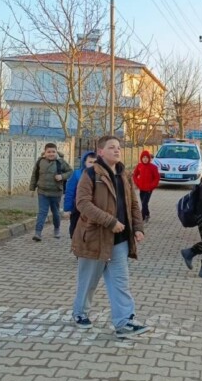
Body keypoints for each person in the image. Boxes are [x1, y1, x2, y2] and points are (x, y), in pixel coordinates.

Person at [71, 135, 151, 338]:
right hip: (94, 238)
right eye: (112, 147)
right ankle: (80, 313)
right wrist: (110, 221)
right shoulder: (90, 174)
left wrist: (138, 227)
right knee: (88, 281)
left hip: (120, 241)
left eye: (118, 147)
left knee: (120, 282)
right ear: (100, 151)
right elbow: (82, 203)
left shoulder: (124, 175)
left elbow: (133, 204)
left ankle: (124, 322)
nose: (117, 150)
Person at [29, 143, 73, 241]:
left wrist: (62, 176)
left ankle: (57, 229)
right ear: (45, 152)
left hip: (56, 192)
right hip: (42, 192)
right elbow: (34, 175)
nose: (51, 154)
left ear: (56, 152)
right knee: (42, 212)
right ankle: (38, 233)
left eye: (53, 152)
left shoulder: (60, 162)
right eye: (49, 152)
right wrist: (32, 189)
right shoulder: (40, 161)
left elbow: (70, 172)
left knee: (56, 213)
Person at [64, 151, 97, 238]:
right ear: (84, 162)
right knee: (75, 230)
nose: (93, 164)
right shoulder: (77, 174)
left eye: (95, 162)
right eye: (90, 162)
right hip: (78, 207)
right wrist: (67, 209)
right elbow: (70, 192)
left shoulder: (100, 175)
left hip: (94, 208)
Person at [132, 150, 160, 222]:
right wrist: (137, 183)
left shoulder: (153, 167)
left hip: (149, 189)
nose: (145, 159)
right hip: (141, 188)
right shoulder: (139, 166)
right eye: (143, 157)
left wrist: (152, 186)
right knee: (143, 203)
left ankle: (142, 217)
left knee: (144, 203)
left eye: (146, 157)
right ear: (141, 158)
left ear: (149, 158)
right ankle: (147, 214)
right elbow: (135, 175)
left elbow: (156, 178)